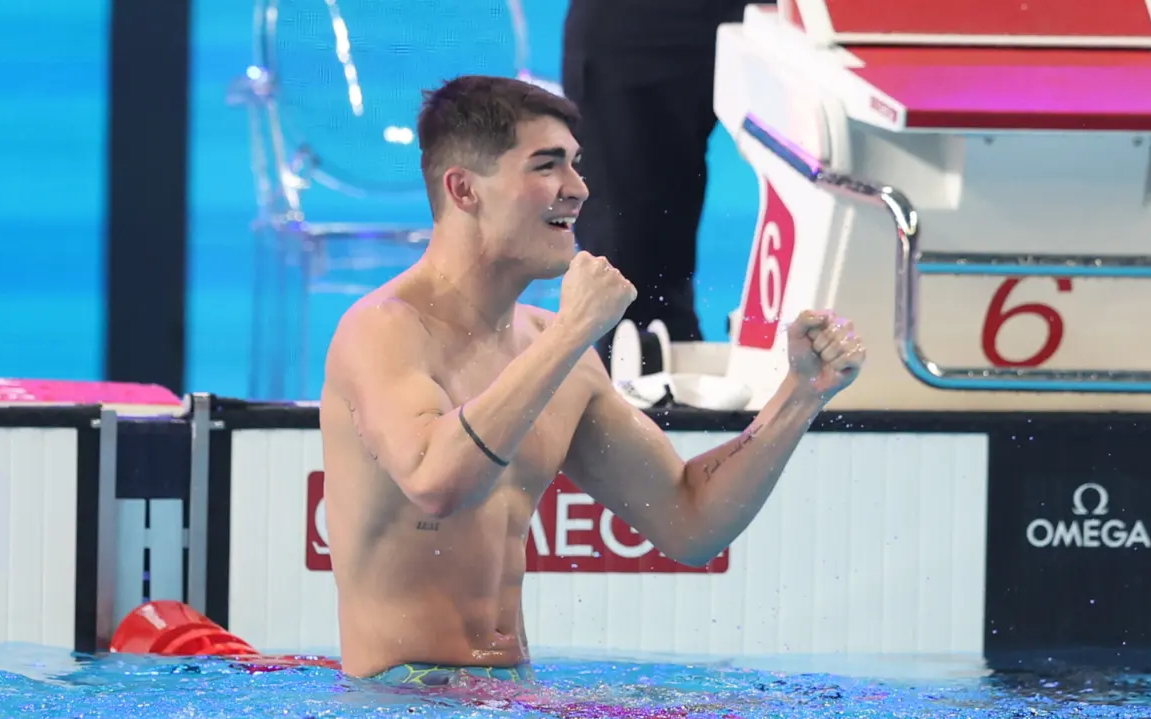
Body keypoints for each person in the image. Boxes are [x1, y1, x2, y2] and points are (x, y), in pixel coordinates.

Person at [318, 75, 865, 685]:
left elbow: (691, 521)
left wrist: (800, 395)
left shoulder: (560, 351)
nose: (577, 190)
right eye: (546, 166)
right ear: (463, 188)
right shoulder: (384, 330)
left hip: (510, 696)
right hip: (397, 711)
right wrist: (571, 331)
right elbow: (437, 481)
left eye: (576, 166)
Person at [561, 0, 751, 365]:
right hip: (637, 21)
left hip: (800, 14)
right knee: (634, 267)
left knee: (840, 189)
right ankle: (650, 400)